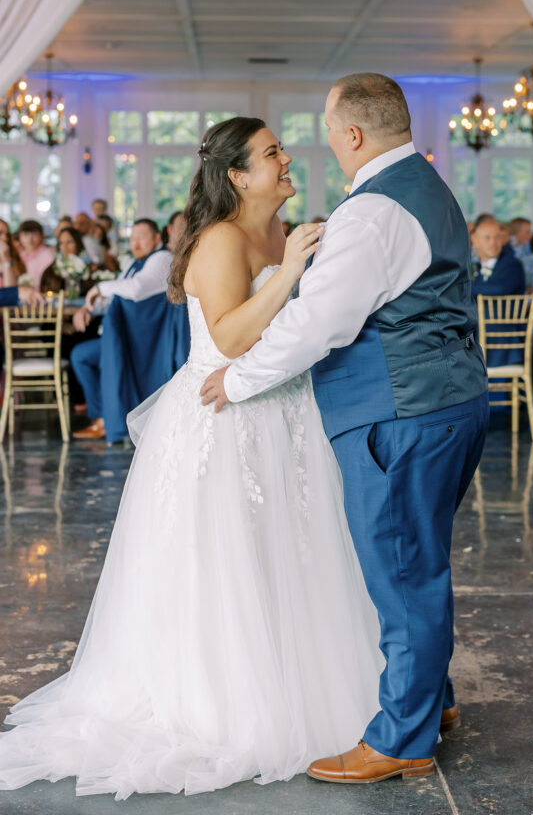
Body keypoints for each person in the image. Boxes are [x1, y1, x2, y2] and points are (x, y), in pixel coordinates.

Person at [0, 117, 383, 798]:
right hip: (225, 417)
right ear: (239, 175)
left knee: (292, 552)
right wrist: (292, 268)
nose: (287, 160)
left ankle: (308, 682)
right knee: (223, 559)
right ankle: (223, 703)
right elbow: (233, 337)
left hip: (286, 414)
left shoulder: (272, 231)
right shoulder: (220, 239)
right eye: (272, 154)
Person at [200, 74, 489, 784]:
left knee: (402, 572)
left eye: (327, 131)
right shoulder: (429, 188)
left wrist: (236, 380)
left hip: (401, 412)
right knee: (419, 561)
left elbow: (318, 324)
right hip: (448, 402)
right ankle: (432, 699)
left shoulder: (370, 213)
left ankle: (401, 738)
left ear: (352, 135)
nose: (320, 147)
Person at [71, 219, 173, 440]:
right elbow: (115, 294)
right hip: (123, 336)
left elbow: (137, 288)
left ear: (157, 238)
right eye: (132, 238)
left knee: (84, 356)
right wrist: (89, 308)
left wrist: (99, 287)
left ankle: (109, 420)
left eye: (141, 238)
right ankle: (102, 416)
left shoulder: (163, 259)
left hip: (144, 341)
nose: (135, 244)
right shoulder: (132, 263)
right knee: (80, 356)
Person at [471, 215, 525, 297]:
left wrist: (462, 289)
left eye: (497, 237)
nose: (493, 242)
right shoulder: (472, 265)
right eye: (487, 238)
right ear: (475, 241)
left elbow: (500, 288)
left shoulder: (512, 264)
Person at [40, 227, 90, 296]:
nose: (64, 247)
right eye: (61, 243)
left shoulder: (88, 267)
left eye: (69, 242)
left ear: (78, 243)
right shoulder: (51, 271)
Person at [16, 220, 54, 287]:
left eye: (34, 234)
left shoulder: (47, 254)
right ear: (20, 237)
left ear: (41, 236)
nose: (30, 239)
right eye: (26, 234)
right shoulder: (19, 254)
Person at [0, 219, 25, 288]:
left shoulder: (12, 257)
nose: (5, 238)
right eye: (0, 233)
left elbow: (11, 290)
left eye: (6, 234)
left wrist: (5, 258)